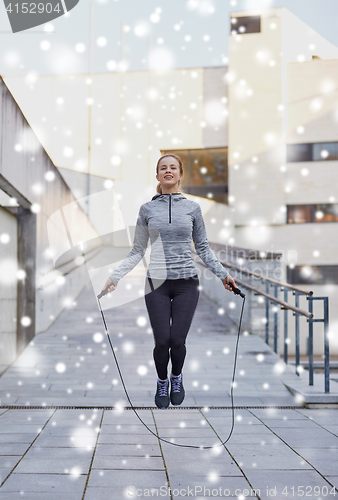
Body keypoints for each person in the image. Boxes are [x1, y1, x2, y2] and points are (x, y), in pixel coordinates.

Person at [101, 154, 237, 409]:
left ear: (180, 174)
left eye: (172, 167)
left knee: (177, 341)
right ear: (157, 176)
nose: (168, 171)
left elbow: (204, 248)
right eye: (163, 168)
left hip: (187, 283)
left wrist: (223, 275)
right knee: (162, 341)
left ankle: (177, 377)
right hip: (157, 284)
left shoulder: (193, 208)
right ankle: (162, 380)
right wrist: (114, 277)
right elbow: (137, 251)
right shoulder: (147, 209)